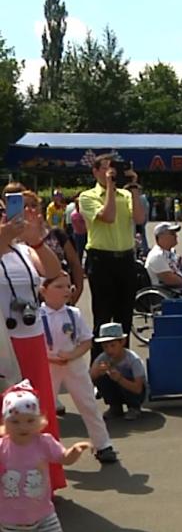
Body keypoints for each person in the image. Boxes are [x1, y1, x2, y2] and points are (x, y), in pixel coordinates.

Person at [0, 198, 66, 490]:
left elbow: (52, 272)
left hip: (32, 336)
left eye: (3, 210)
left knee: (37, 408)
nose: (4, 216)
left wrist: (36, 241)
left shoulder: (23, 249)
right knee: (7, 409)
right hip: (3, 340)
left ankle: (42, 483)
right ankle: (9, 483)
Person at [0, 380, 91, 532]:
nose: (23, 427)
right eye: (15, 421)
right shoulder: (2, 447)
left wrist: (74, 452)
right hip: (10, 517)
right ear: (5, 423)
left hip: (44, 513)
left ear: (40, 421)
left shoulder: (44, 442)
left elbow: (63, 458)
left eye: (29, 420)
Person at [39, 272, 117, 463]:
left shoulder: (74, 314)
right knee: (44, 408)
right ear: (43, 291)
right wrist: (50, 358)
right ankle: (42, 449)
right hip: (48, 366)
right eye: (59, 287)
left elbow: (86, 341)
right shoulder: (36, 316)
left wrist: (72, 355)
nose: (66, 290)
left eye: (68, 286)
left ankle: (103, 444)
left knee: (88, 403)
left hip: (73, 365)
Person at [79, 153, 146, 356]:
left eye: (115, 169)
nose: (112, 173)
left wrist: (133, 188)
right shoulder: (87, 196)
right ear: (96, 171)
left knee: (124, 316)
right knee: (103, 316)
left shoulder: (126, 195)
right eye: (108, 169)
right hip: (101, 260)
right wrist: (109, 186)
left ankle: (125, 364)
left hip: (125, 259)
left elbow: (140, 218)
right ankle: (99, 368)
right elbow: (108, 216)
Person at [90, 323, 148, 420]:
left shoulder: (133, 360)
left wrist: (120, 379)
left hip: (136, 391)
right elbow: (90, 377)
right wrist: (98, 372)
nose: (109, 350)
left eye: (113, 345)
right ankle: (115, 406)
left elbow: (138, 388)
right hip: (118, 387)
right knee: (101, 378)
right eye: (105, 346)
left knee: (129, 382)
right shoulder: (103, 358)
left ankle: (134, 407)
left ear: (122, 342)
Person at [144, 222, 182, 289]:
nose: (176, 236)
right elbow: (170, 280)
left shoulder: (170, 252)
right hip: (168, 291)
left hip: (178, 288)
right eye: (172, 233)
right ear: (161, 237)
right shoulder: (157, 256)